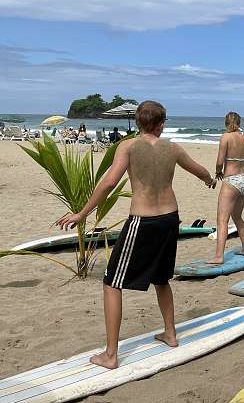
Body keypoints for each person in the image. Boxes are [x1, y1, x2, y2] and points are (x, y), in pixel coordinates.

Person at [55, 100, 217, 369]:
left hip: (143, 221)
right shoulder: (173, 148)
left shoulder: (128, 146)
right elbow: (200, 170)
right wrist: (209, 180)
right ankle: (170, 334)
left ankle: (110, 355)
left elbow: (108, 182)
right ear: (162, 124)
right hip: (169, 219)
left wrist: (82, 214)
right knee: (161, 278)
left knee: (111, 283)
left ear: (139, 123)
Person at [208, 112, 244, 264]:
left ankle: (219, 257)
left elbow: (219, 161)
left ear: (226, 123)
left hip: (231, 180)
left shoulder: (225, 137)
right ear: (239, 122)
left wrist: (218, 172)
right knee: (237, 216)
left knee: (222, 220)